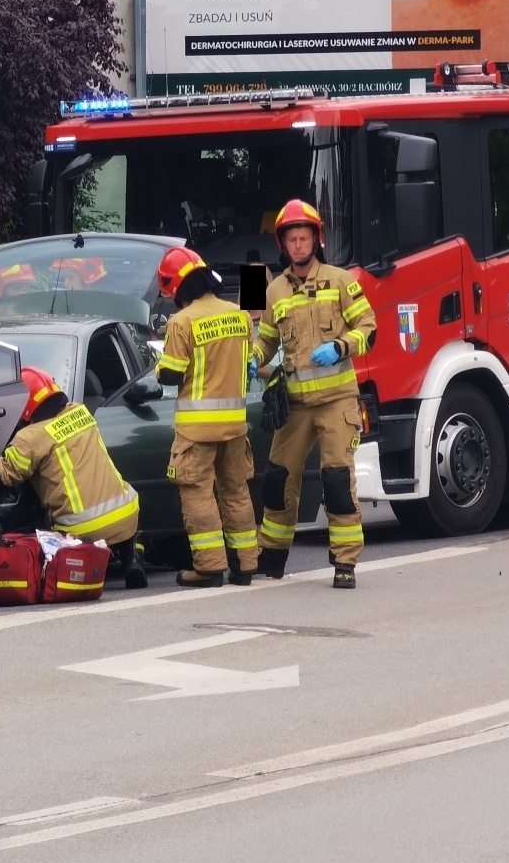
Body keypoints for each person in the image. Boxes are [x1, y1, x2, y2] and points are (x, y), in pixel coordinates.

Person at [249, 200, 377, 589]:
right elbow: (267, 340)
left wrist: (340, 347)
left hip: (337, 400)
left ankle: (345, 562)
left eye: (305, 238)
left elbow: (369, 328)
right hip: (296, 403)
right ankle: (271, 555)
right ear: (283, 244)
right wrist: (253, 359)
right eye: (292, 239)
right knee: (278, 479)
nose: (299, 245)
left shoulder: (341, 280)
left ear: (316, 240)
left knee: (337, 480)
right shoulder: (273, 290)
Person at [153, 247, 257, 587]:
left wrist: (157, 366)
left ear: (176, 288)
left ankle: (210, 568)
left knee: (197, 492)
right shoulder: (238, 315)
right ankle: (245, 565)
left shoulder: (182, 322)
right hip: (235, 425)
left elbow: (170, 374)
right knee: (235, 490)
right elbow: (250, 359)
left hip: (197, 429)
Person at [0, 366, 149, 589]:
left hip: (79, 529)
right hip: (125, 514)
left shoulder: (29, 438)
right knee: (130, 518)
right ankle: (132, 556)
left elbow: (4, 476)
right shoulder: (80, 411)